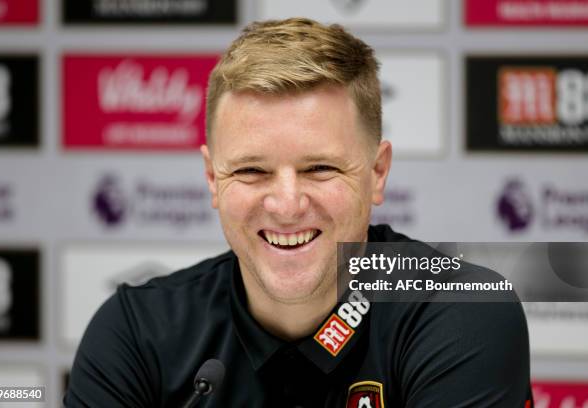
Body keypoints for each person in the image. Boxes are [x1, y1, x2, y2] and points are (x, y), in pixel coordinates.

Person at [65, 18, 533, 407]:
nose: (286, 205)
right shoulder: (135, 331)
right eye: (251, 170)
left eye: (320, 168)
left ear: (378, 173)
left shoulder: (462, 312)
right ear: (212, 179)